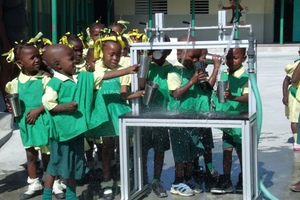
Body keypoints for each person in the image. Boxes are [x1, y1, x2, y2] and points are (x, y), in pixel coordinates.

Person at [41, 44, 140, 200]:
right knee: (55, 164)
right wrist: (65, 106)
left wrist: (127, 70)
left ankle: (71, 195)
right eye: (71, 59)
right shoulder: (53, 84)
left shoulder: (81, 78)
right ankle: (46, 195)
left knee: (74, 163)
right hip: (62, 133)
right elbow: (49, 105)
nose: (75, 61)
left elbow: (102, 76)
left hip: (77, 131)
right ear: (58, 64)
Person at [3, 40, 65, 200]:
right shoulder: (15, 84)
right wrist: (10, 108)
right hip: (27, 124)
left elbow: (51, 100)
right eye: (32, 58)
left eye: (38, 56)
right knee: (30, 154)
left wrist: (38, 110)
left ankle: (55, 183)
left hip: (43, 122)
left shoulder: (44, 79)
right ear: (20, 63)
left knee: (48, 154)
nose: (37, 60)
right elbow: (12, 102)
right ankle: (34, 183)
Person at [93, 32, 145, 199]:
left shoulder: (124, 70)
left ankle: (124, 180)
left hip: (119, 113)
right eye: (111, 54)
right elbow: (99, 80)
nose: (115, 58)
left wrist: (138, 94)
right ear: (102, 53)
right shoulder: (97, 68)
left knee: (123, 149)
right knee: (106, 149)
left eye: (118, 54)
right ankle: (107, 182)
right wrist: (126, 70)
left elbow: (123, 95)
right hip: (104, 114)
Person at [167, 35, 212, 197]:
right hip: (178, 118)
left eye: (197, 57)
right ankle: (177, 181)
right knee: (180, 152)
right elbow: (176, 94)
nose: (194, 61)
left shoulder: (193, 70)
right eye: (192, 57)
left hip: (192, 117)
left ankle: (187, 177)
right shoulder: (173, 72)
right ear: (179, 54)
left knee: (191, 151)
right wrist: (192, 81)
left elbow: (205, 90)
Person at [210, 47, 248, 194]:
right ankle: (226, 179)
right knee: (227, 151)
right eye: (229, 58)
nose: (231, 61)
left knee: (241, 152)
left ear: (244, 59)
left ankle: (243, 177)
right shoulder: (224, 73)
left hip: (241, 122)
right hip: (228, 122)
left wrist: (233, 97)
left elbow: (249, 96)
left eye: (236, 58)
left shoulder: (246, 76)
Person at [139, 34, 173, 198]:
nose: (158, 52)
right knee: (143, 147)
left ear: (169, 51)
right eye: (154, 48)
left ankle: (156, 179)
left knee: (160, 149)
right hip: (144, 115)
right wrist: (145, 60)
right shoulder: (147, 65)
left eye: (162, 49)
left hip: (162, 115)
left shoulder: (170, 68)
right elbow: (139, 84)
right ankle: (143, 177)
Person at [0, 0, 28, 105]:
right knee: (7, 68)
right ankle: (9, 104)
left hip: (19, 37)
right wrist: (6, 43)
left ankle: (16, 101)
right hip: (7, 38)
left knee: (17, 68)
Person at [282, 52, 300, 151]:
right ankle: (297, 140)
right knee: (295, 119)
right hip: (295, 95)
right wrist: (285, 95)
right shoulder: (295, 66)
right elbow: (290, 80)